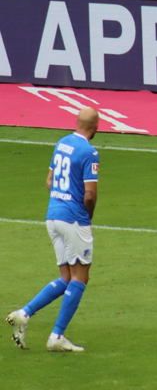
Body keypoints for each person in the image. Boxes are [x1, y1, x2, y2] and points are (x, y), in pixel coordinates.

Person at [6, 107, 100, 352]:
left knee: (66, 277)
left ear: (77, 122)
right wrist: (85, 218)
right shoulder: (89, 152)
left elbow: (49, 181)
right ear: (97, 126)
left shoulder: (62, 143)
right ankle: (57, 335)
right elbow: (89, 195)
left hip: (53, 216)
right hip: (73, 219)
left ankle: (24, 314)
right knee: (80, 277)